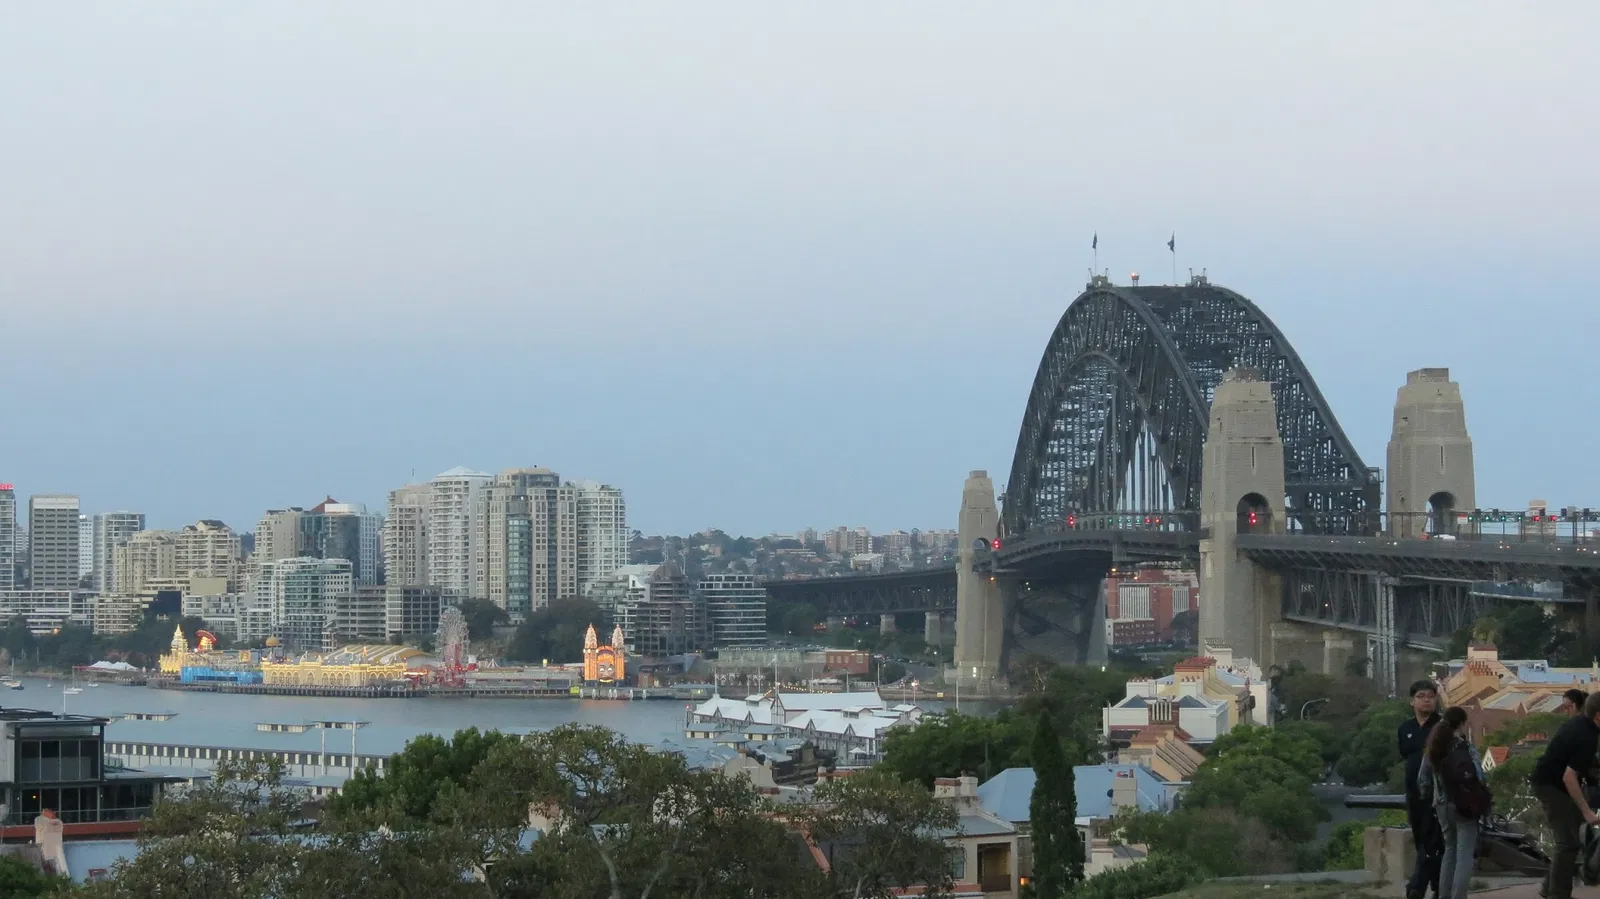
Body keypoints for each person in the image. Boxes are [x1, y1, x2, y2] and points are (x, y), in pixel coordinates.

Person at [1532, 691, 1600, 899]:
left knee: (1570, 839)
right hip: (1551, 786)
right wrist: (1587, 810)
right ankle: (1558, 895)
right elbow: (1569, 777)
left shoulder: (1581, 723)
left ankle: (1549, 889)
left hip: (1552, 782)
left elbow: (1579, 762)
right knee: (1567, 843)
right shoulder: (1586, 736)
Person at [1419, 707, 1485, 899]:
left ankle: (1444, 896)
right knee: (1464, 854)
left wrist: (1430, 796)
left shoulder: (1435, 746)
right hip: (1464, 806)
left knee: (1449, 850)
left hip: (1441, 805)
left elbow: (1422, 779)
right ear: (1462, 724)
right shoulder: (1465, 747)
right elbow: (1479, 776)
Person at [1399, 679, 1443, 899]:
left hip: (1436, 793)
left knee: (1432, 839)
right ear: (1412, 701)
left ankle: (1417, 886)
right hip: (1413, 791)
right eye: (1421, 696)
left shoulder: (1442, 727)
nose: (1426, 700)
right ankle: (1437, 885)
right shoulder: (1405, 728)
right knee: (1420, 838)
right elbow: (1405, 754)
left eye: (1430, 696)